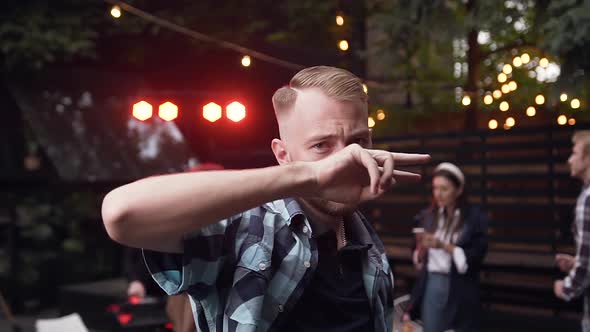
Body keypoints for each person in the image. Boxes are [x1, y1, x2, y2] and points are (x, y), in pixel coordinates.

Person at [101, 65, 430, 332]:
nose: (344, 159)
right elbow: (121, 214)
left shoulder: (366, 243)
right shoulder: (251, 228)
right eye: (321, 146)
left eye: (357, 140)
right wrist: (311, 176)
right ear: (283, 154)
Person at [404, 162, 488, 332]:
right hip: (432, 283)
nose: (438, 194)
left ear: (459, 190)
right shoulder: (427, 217)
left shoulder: (474, 219)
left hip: (460, 285)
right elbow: (418, 259)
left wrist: (442, 245)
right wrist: (421, 249)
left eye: (444, 189)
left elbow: (476, 256)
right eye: (435, 188)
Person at [554, 130, 590, 332]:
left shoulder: (587, 199)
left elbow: (586, 264)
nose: (569, 159)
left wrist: (566, 287)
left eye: (575, 153)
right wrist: (576, 262)